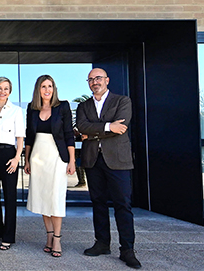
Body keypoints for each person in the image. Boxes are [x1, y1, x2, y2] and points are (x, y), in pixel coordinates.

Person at [76, 68, 141, 269]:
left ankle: (127, 250)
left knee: (123, 204)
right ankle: (102, 243)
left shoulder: (122, 101)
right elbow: (81, 127)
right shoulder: (83, 106)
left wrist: (94, 131)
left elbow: (121, 127)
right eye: (91, 79)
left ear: (107, 80)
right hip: (93, 160)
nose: (95, 82)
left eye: (98, 78)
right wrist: (107, 127)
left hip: (118, 160)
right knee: (98, 203)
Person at [24, 74, 75, 258]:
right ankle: (49, 236)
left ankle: (58, 239)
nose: (47, 90)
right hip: (38, 157)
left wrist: (72, 160)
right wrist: (27, 159)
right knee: (43, 197)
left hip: (57, 157)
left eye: (50, 86)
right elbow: (29, 136)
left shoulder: (63, 106)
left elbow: (69, 134)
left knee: (56, 197)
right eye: (44, 86)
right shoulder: (31, 108)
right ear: (38, 89)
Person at [0, 77, 25, 251]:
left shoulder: (16, 110)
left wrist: (17, 158)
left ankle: (8, 236)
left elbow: (20, 138)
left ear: (10, 91)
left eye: (6, 88)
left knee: (10, 197)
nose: (3, 91)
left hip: (9, 155)